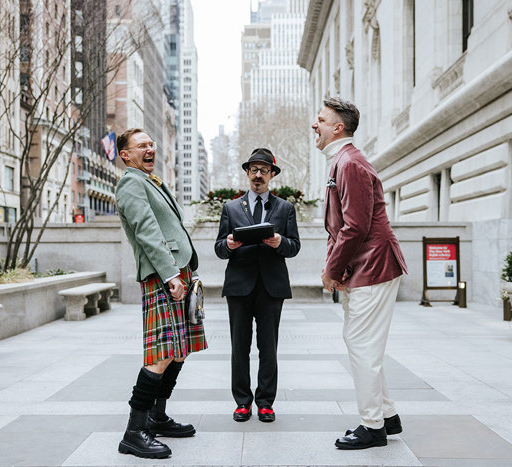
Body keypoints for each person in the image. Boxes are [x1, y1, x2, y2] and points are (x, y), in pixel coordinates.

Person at [313, 97, 408, 450]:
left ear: (338, 127)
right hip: (366, 266)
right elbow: (340, 226)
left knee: (362, 346)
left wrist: (331, 271)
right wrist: (334, 267)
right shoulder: (343, 161)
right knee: (362, 344)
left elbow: (355, 227)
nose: (315, 125)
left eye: (320, 120)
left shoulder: (350, 163)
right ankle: (387, 414)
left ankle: (373, 427)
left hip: (374, 266)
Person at [115, 128, 207, 459]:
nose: (150, 148)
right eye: (142, 145)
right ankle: (134, 431)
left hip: (178, 271)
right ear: (126, 155)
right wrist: (170, 273)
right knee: (161, 352)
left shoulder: (150, 180)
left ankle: (156, 415)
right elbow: (147, 231)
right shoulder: (131, 183)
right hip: (161, 273)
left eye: (151, 144)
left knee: (179, 350)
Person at [214, 148, 300, 423]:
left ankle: (265, 402)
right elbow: (219, 248)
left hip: (271, 287)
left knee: (268, 347)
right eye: (254, 170)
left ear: (272, 175)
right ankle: (242, 402)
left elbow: (294, 246)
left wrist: (280, 243)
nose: (258, 175)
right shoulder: (230, 207)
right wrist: (227, 244)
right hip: (239, 287)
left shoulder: (285, 208)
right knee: (239, 347)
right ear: (247, 173)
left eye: (264, 170)